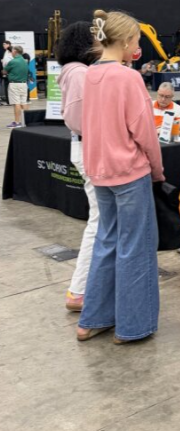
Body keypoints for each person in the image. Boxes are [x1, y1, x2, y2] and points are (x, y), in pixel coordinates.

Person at [76, 9, 164, 344]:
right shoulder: (128, 78)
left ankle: (93, 319)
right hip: (129, 172)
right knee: (136, 248)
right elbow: (144, 132)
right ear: (127, 41)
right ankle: (132, 325)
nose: (138, 45)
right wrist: (157, 170)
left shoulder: (90, 76)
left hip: (100, 172)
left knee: (107, 242)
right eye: (138, 39)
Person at [56, 22, 99, 312]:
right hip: (89, 147)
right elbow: (81, 118)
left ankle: (82, 287)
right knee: (99, 221)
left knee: (99, 219)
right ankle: (79, 289)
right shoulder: (80, 74)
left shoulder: (72, 71)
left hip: (83, 146)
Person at [4, 45, 30, 128]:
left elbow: (4, 71)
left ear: (15, 51)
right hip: (24, 84)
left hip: (15, 84)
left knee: (16, 103)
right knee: (24, 102)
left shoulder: (13, 61)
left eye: (12, 51)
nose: (11, 52)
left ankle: (17, 122)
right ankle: (26, 121)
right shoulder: (24, 61)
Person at [1, 40, 11, 105]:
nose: (3, 46)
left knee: (9, 87)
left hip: (9, 72)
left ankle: (10, 101)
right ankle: (8, 101)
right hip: (6, 71)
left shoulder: (10, 51)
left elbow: (9, 61)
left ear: (8, 44)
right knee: (6, 86)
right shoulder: (6, 52)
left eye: (4, 44)